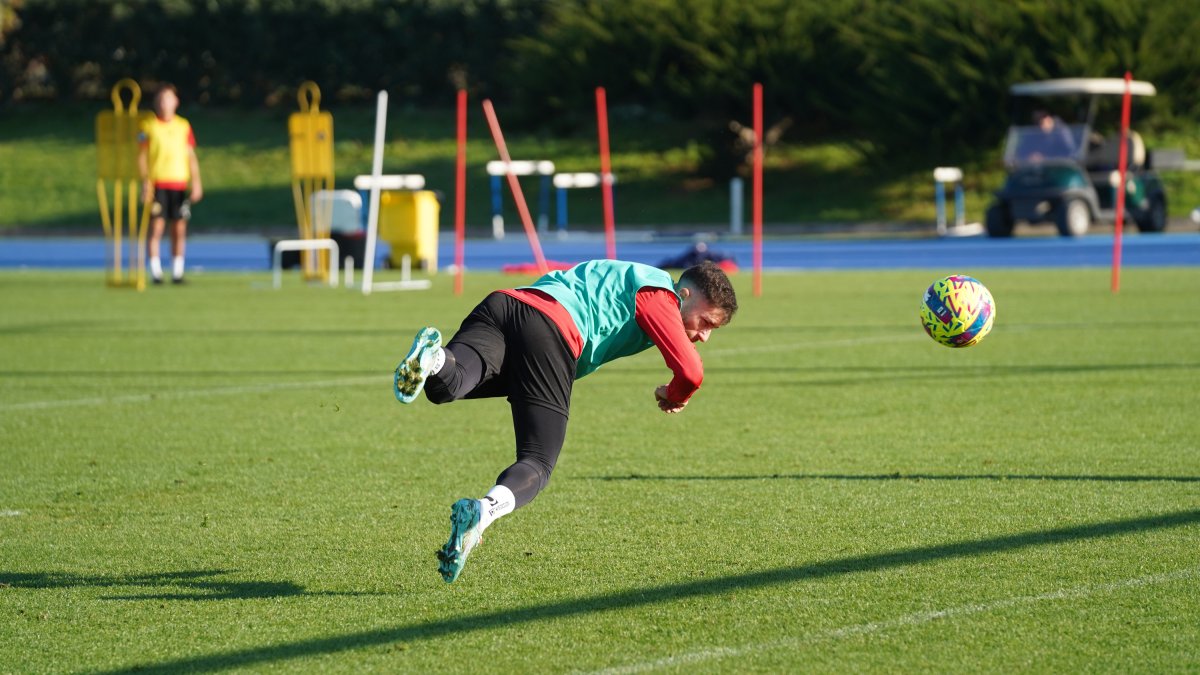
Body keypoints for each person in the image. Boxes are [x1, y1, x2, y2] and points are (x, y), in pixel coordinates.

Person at [393, 259, 738, 583]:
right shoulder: (660, 294)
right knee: (538, 463)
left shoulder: (641, 280)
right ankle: (482, 513)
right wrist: (675, 395)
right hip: (549, 332)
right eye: (706, 322)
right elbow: (691, 371)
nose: (705, 336)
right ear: (685, 294)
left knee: (447, 385)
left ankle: (434, 359)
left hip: (506, 304)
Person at [138, 84, 203, 285]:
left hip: (179, 183)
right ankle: (156, 273)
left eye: (168, 98)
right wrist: (145, 182)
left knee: (179, 228)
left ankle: (177, 272)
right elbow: (141, 156)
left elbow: (190, 156)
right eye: (160, 99)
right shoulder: (148, 126)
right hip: (158, 183)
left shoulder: (183, 126)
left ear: (176, 101)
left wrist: (196, 182)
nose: (164, 103)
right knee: (156, 227)